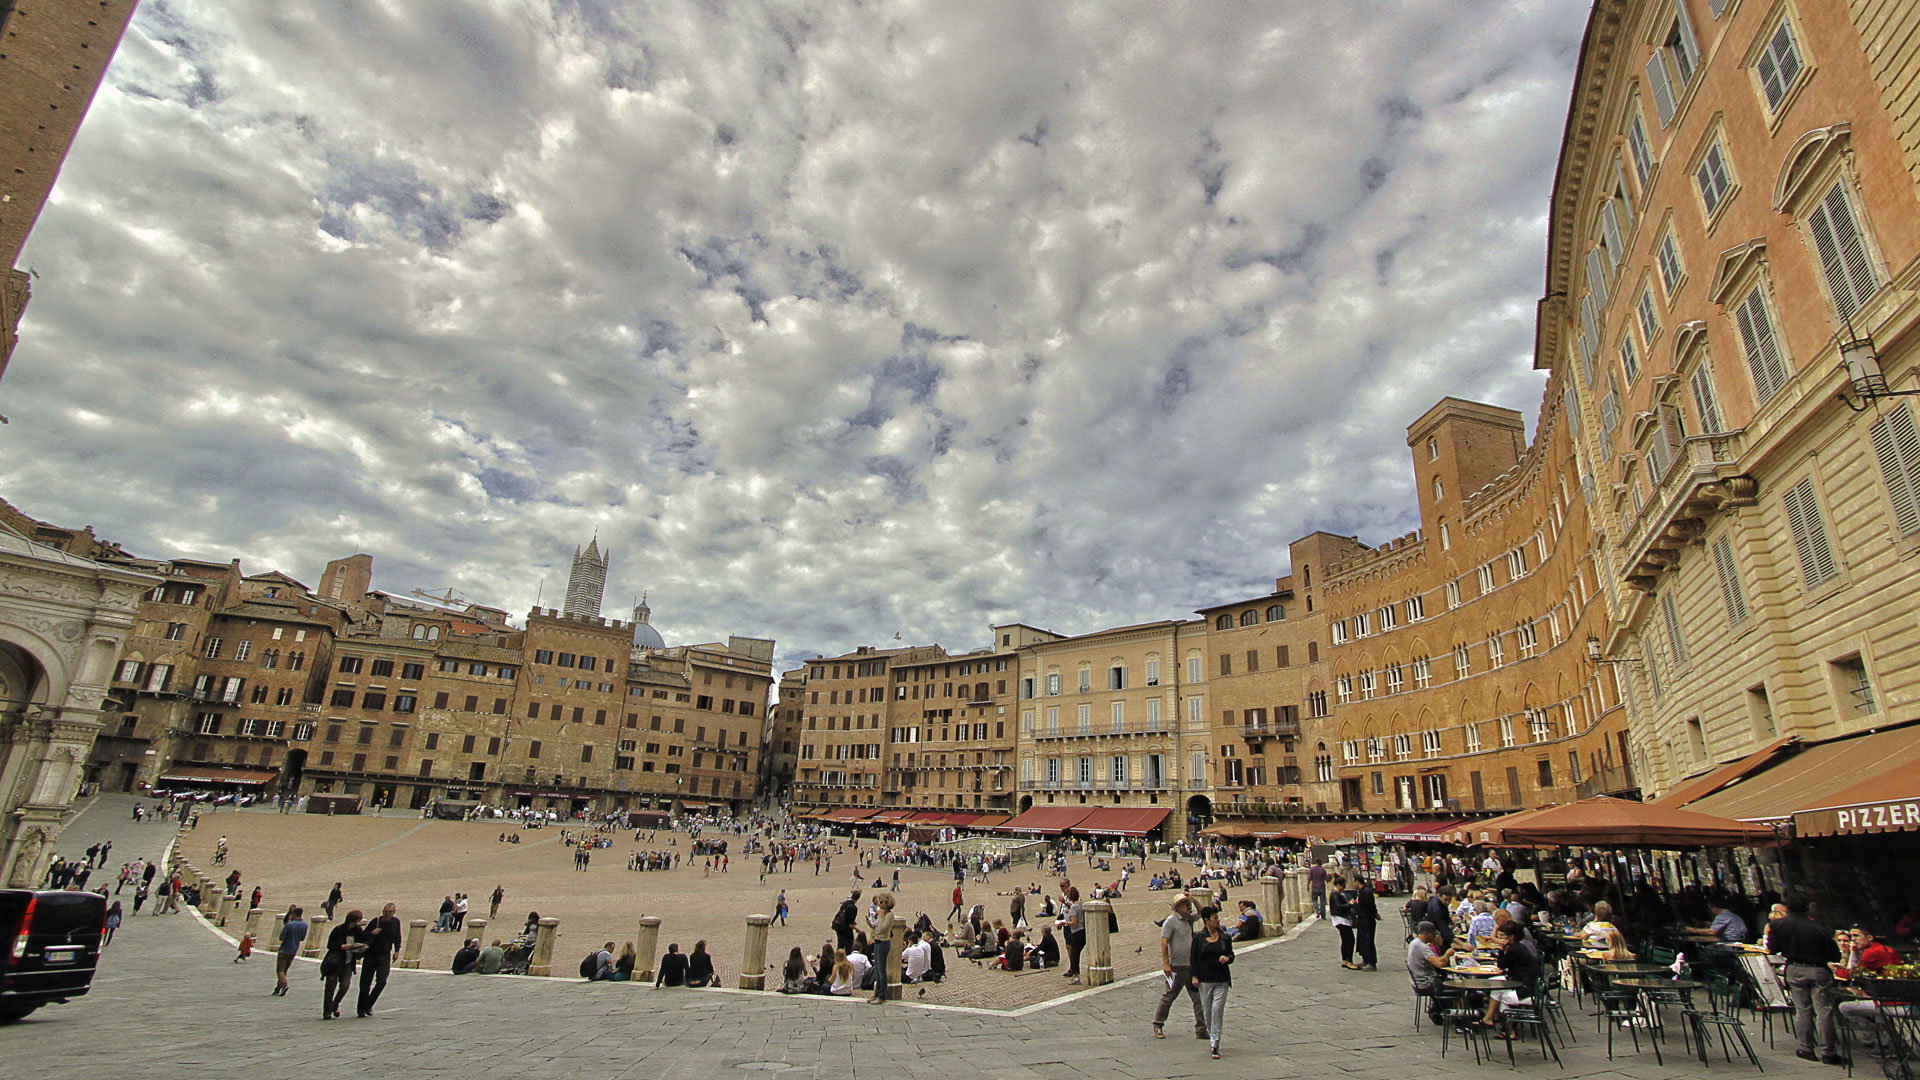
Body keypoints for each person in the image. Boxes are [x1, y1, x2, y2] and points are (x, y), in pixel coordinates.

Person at [1771, 894, 1845, 1064]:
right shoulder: (1818, 928)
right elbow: (1834, 954)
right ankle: (1828, 1051)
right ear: (1807, 908)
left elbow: (1773, 948)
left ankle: (1806, 1048)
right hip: (1818, 969)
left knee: (1802, 1009)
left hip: (1794, 968)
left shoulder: (1778, 925)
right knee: (1824, 1010)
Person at [1152, 894, 1206, 1039]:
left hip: (1191, 964)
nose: (1189, 908)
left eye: (1189, 906)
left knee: (1197, 998)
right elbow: (1164, 943)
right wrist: (1165, 964)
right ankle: (1158, 1024)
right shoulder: (1171, 921)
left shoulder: (1189, 919)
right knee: (1169, 996)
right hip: (1176, 966)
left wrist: (1194, 899)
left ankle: (1201, 1028)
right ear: (1178, 908)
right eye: (1185, 906)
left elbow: (1202, 912)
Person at [1190, 904, 1234, 1060]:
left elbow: (1231, 955)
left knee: (1217, 1011)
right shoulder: (1198, 937)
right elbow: (1193, 959)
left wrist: (1227, 958)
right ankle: (1212, 1035)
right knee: (1208, 1013)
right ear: (1207, 920)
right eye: (1215, 918)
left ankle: (1215, 1043)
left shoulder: (1225, 937)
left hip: (1221, 979)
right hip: (1205, 980)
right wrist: (1194, 976)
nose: (1218, 920)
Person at [1478, 924, 1541, 1028]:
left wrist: (1501, 948)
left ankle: (1509, 1030)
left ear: (1511, 936)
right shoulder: (1517, 946)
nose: (1500, 939)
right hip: (1522, 982)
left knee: (1504, 996)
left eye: (1502, 936)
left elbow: (1501, 965)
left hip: (1526, 989)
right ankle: (1490, 1017)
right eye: (1499, 936)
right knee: (1495, 986)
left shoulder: (1514, 949)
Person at [357, 902, 403, 1017]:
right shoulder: (376, 921)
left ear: (394, 912)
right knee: (365, 983)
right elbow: (363, 935)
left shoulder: (395, 922)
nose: (387, 914)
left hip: (384, 956)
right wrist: (372, 932)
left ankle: (368, 1005)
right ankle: (361, 1009)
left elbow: (397, 936)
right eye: (385, 911)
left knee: (382, 981)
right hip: (370, 955)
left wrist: (397, 950)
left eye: (389, 912)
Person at [320, 909, 367, 1019]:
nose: (355, 924)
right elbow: (330, 945)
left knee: (345, 986)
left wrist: (360, 948)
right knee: (330, 988)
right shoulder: (338, 929)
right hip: (335, 962)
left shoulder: (358, 930)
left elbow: (362, 941)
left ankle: (335, 1004)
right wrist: (342, 947)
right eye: (354, 921)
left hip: (348, 963)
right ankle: (327, 1011)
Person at [1406, 921, 1455, 1023]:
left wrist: (1436, 946)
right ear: (1427, 934)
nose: (1435, 936)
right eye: (1433, 934)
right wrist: (1447, 954)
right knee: (1458, 988)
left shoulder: (1414, 943)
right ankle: (1459, 1018)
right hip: (1426, 983)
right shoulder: (1422, 947)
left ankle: (1437, 1010)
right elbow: (1439, 964)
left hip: (1418, 982)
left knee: (1447, 982)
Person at [867, 891, 896, 1003]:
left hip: (883, 943)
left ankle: (882, 995)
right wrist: (870, 924)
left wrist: (881, 917)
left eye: (881, 902)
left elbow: (883, 928)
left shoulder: (889, 915)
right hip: (878, 942)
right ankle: (876, 993)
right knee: (877, 969)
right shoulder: (882, 914)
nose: (879, 904)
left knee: (882, 971)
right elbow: (876, 926)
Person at [274, 905, 308, 996]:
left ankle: (284, 985)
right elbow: (302, 938)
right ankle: (277, 988)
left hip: (284, 949)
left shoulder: (289, 925)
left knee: (280, 970)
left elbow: (281, 937)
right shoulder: (305, 925)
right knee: (285, 970)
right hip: (294, 950)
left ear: (294, 914)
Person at [1352, 878, 1379, 971]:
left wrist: (1375, 914)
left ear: (1357, 882)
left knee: (1368, 940)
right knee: (1363, 940)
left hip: (1367, 919)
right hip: (1363, 919)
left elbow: (1371, 906)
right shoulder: (1362, 891)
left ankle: (1372, 962)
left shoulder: (1366, 892)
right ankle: (1365, 959)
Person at [1330, 876, 1358, 968]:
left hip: (1339, 919)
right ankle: (1349, 961)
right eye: (1343, 886)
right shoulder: (1335, 894)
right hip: (1341, 919)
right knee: (1350, 940)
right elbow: (1339, 906)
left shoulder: (1336, 893)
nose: (1344, 888)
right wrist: (1350, 904)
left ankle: (1344, 960)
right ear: (1338, 885)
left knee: (1345, 940)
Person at [1061, 885, 1085, 984]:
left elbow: (1074, 922)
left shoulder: (1074, 906)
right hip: (1082, 931)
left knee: (1074, 955)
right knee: (1076, 953)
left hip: (1077, 932)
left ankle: (1076, 976)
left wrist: (1065, 923)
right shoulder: (1080, 904)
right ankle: (1076, 975)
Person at [833, 889, 861, 954]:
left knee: (840, 945)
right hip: (845, 929)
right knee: (849, 945)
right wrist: (858, 930)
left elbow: (844, 915)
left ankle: (837, 958)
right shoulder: (853, 908)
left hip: (838, 926)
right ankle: (849, 959)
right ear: (858, 898)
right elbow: (850, 924)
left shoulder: (846, 902)